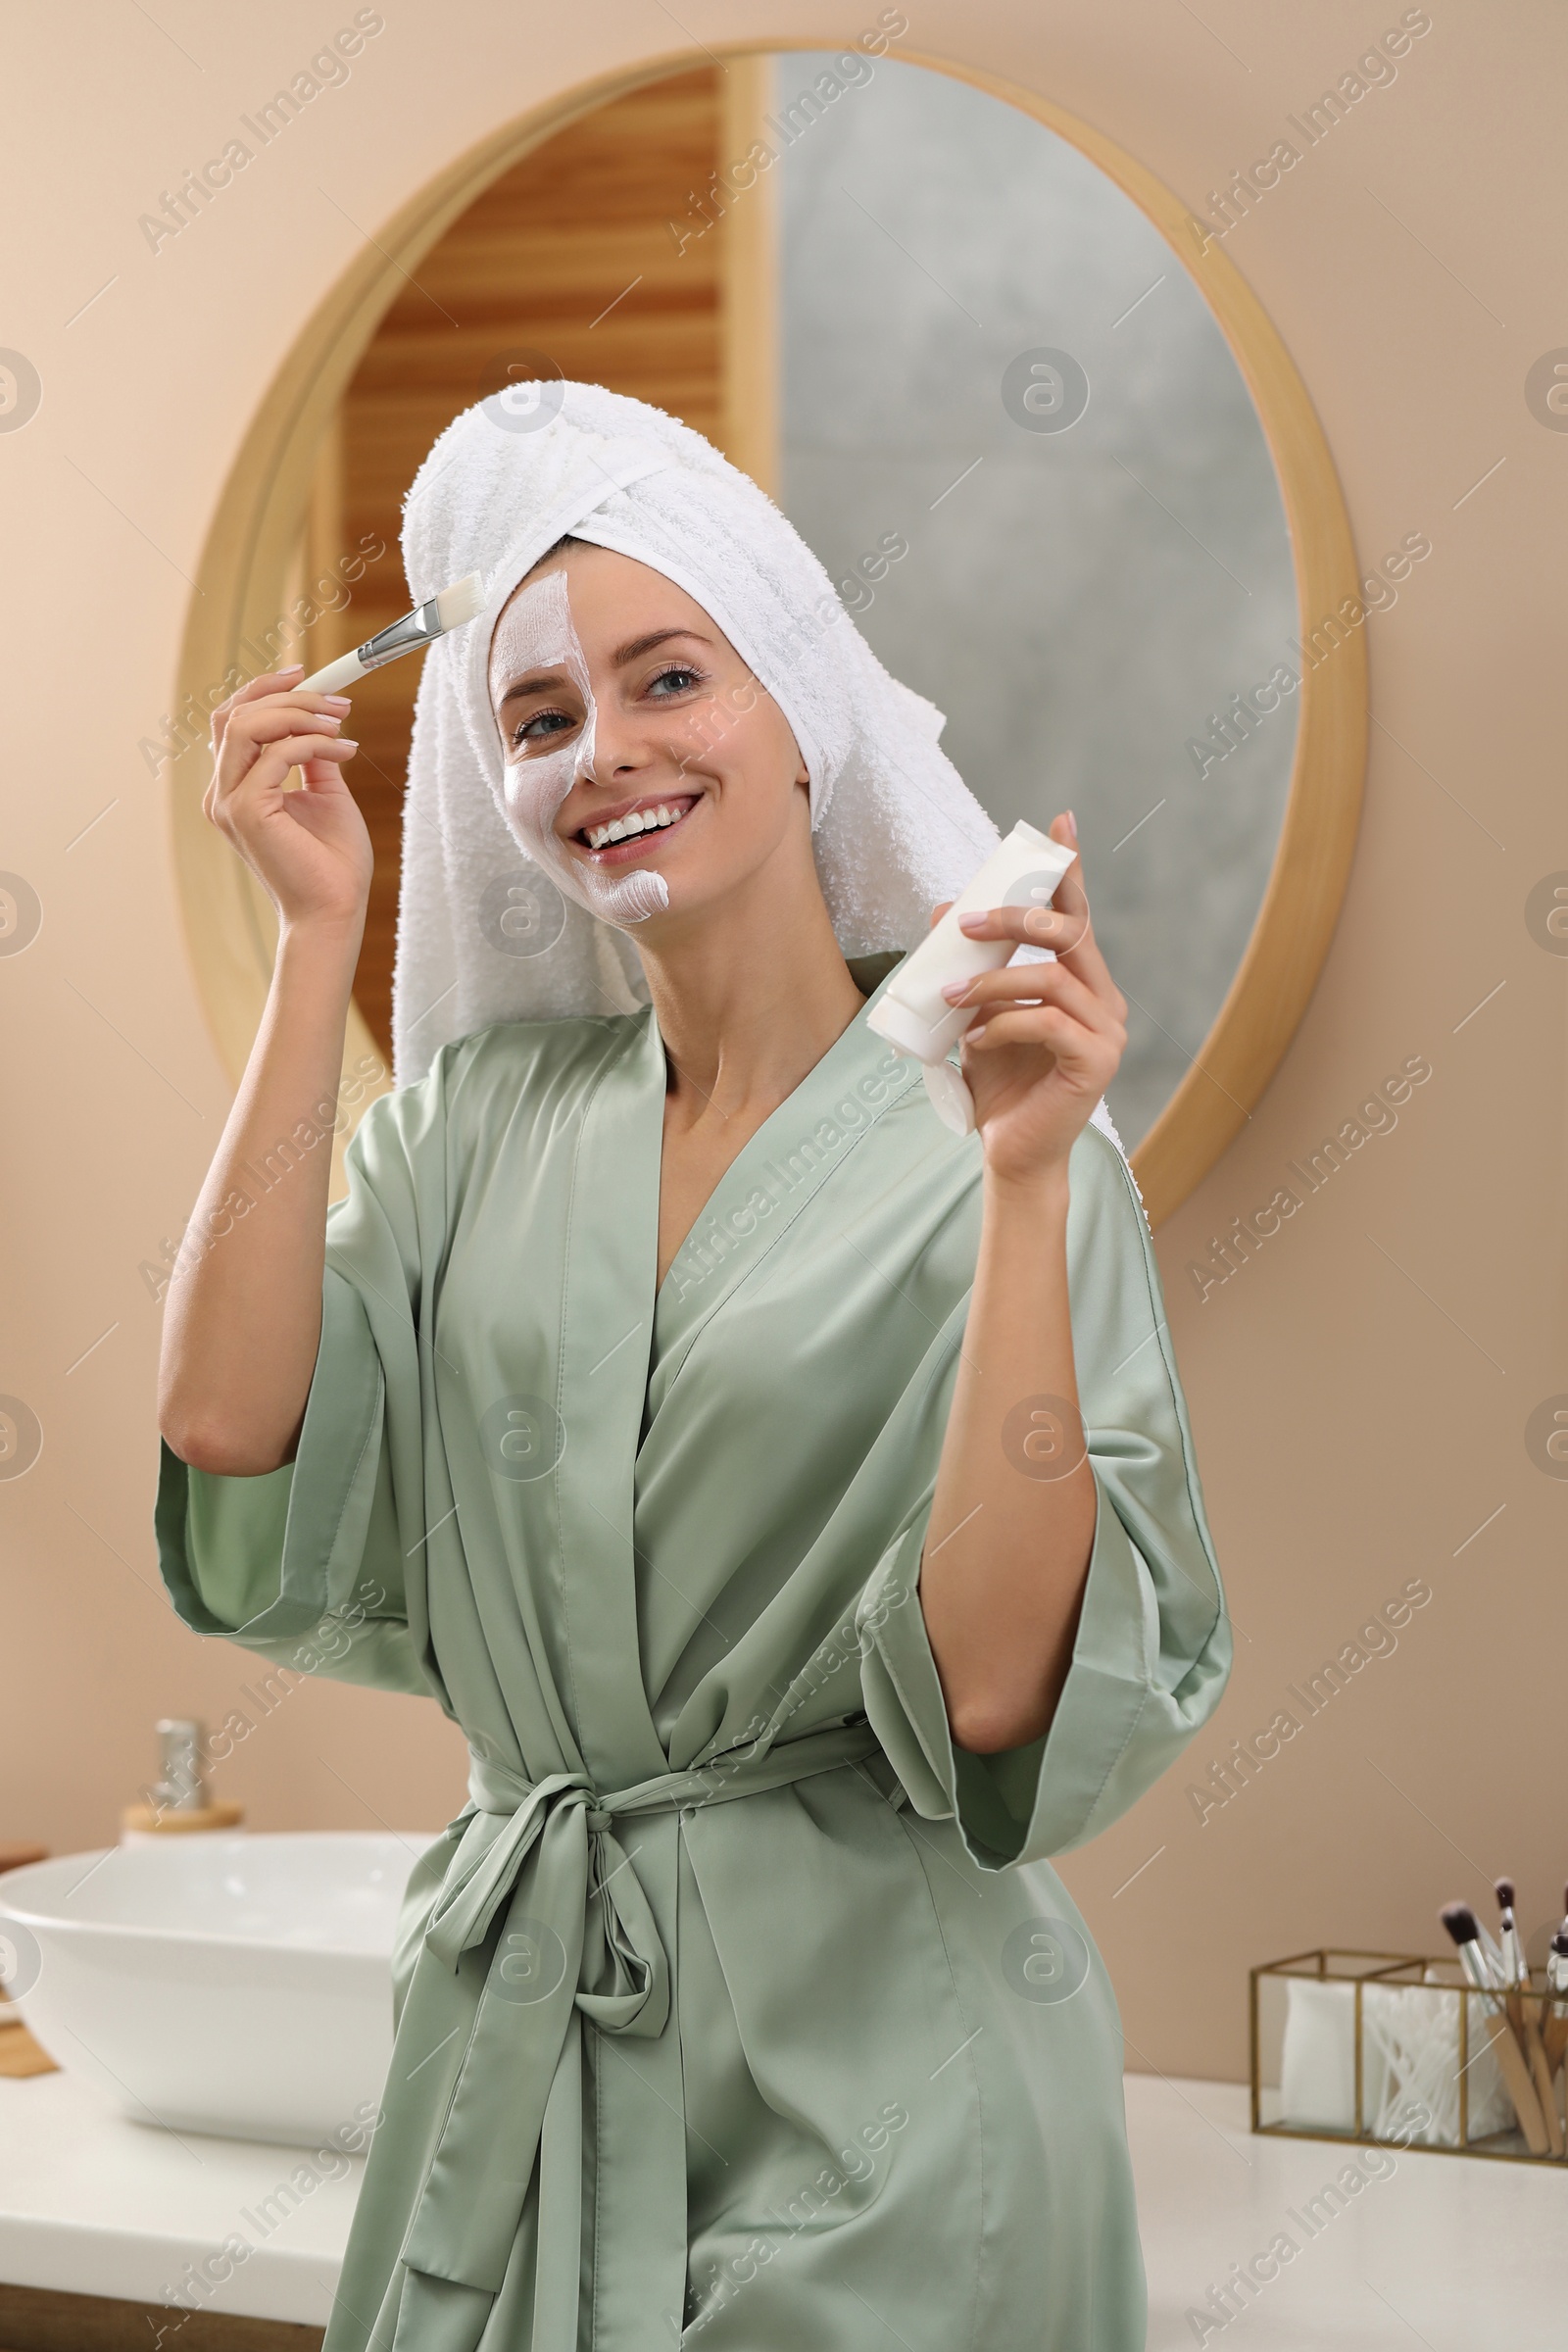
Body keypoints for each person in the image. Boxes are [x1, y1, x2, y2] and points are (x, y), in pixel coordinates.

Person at [156, 384, 1230, 2351]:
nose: (607, 753)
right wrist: (319, 939)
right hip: (521, 2071)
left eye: (669, 678)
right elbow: (231, 1431)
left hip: (888, 2116)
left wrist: (1015, 1187)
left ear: (798, 710)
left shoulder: (1002, 1140)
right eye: (541, 719)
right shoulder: (471, 1126)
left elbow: (999, 1691)